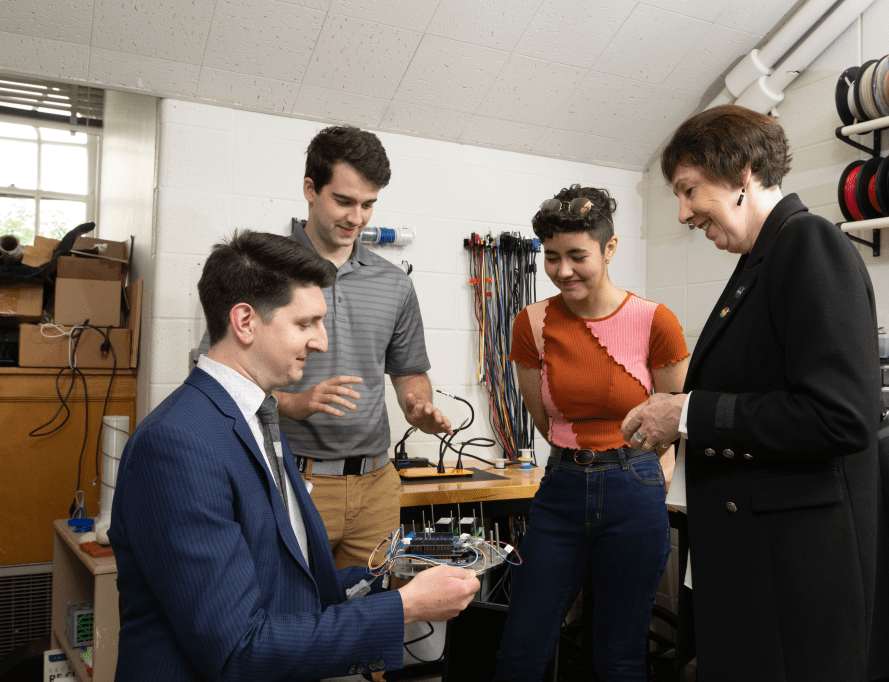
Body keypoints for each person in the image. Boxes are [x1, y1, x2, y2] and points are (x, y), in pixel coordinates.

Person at [621, 104, 889, 682]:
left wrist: (689, 412)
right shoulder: (760, 260)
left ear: (742, 172)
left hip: (800, 578)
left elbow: (839, 415)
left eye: (689, 190)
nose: (682, 212)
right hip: (762, 563)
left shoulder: (808, 244)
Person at [109, 230, 478, 682]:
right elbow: (238, 652)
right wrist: (405, 608)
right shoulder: (178, 445)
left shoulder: (257, 417)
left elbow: (295, 589)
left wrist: (398, 576)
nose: (321, 342)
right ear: (245, 322)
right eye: (306, 324)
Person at [198, 125, 451, 572]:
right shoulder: (260, 270)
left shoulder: (394, 284)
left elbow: (409, 372)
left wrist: (419, 406)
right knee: (294, 616)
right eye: (344, 201)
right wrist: (291, 404)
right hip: (292, 477)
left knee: (371, 614)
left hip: (376, 485)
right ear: (310, 190)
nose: (358, 218)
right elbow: (219, 378)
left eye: (369, 204)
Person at [493, 185, 690, 682]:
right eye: (551, 257)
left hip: (635, 488)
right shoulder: (531, 323)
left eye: (577, 256)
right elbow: (543, 418)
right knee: (521, 649)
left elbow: (672, 420)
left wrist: (651, 474)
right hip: (560, 490)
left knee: (619, 657)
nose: (563, 271)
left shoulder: (654, 321)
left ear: (609, 249)